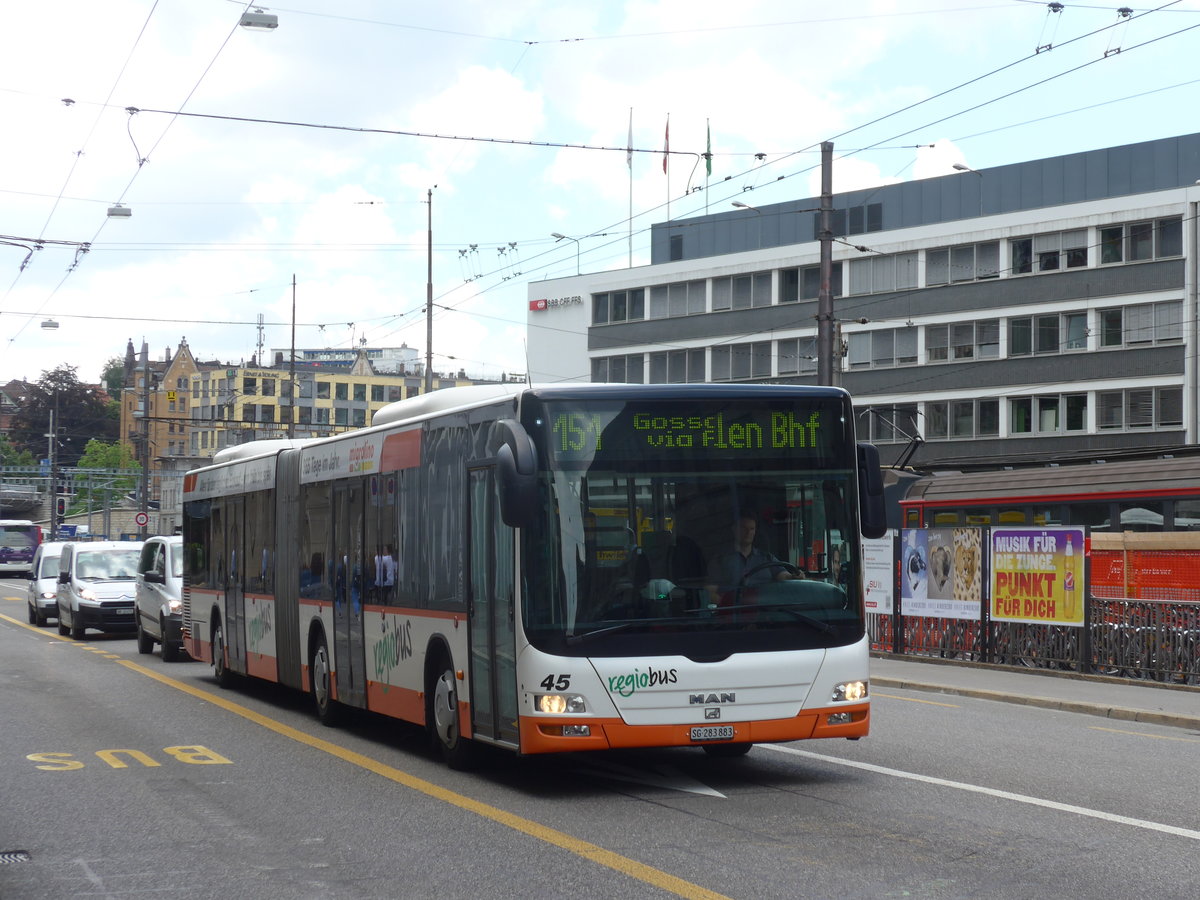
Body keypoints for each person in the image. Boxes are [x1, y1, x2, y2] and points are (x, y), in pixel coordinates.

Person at [707, 514, 800, 598]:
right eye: (744, 528)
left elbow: (782, 575)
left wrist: (794, 576)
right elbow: (711, 590)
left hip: (766, 609)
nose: (748, 533)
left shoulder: (767, 558)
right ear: (734, 529)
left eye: (752, 529)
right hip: (735, 611)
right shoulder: (720, 560)